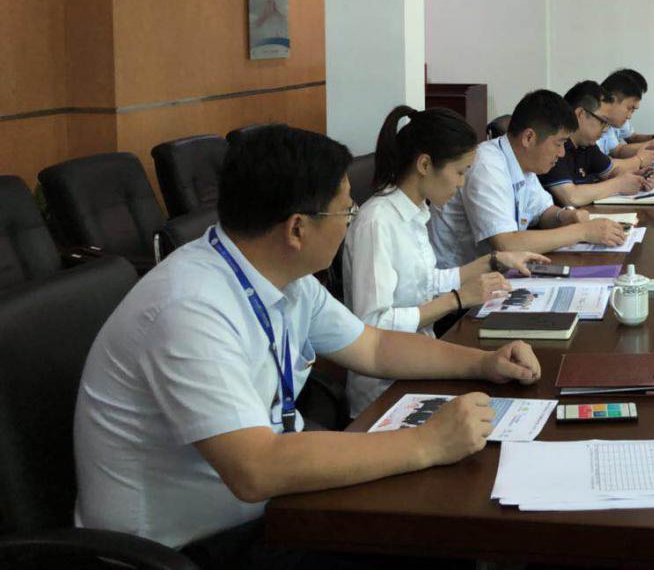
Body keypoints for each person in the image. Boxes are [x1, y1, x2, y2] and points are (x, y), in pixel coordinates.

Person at [74, 125, 541, 565]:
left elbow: (373, 347)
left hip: (275, 506)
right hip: (193, 545)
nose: (351, 222)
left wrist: (484, 363)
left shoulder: (282, 274)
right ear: (297, 229)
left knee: (435, 521)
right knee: (429, 539)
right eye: (346, 212)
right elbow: (254, 468)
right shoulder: (189, 309)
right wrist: (427, 443)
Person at [342, 105, 551, 416]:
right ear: (425, 164)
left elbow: (425, 281)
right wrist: (456, 299)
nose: (461, 183)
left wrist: (493, 261)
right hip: (383, 391)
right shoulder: (377, 223)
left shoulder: (416, 211)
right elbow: (374, 325)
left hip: (422, 363)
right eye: (460, 172)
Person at [428, 89, 628, 267]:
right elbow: (505, 244)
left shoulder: (524, 161)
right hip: (459, 285)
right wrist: (582, 231)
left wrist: (566, 216)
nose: (561, 153)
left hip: (495, 276)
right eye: (559, 143)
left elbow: (544, 212)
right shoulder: (487, 166)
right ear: (529, 138)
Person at [543, 81, 654, 207]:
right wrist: (619, 184)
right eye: (603, 121)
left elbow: (610, 172)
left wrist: (636, 178)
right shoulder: (556, 146)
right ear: (580, 114)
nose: (606, 129)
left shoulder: (586, 145)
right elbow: (571, 197)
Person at [599, 69, 654, 152]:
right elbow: (617, 152)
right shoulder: (599, 123)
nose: (629, 116)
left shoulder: (610, 120)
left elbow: (626, 143)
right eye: (630, 108)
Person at [597, 70, 654, 171]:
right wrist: (639, 160)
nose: (629, 116)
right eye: (630, 108)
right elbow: (604, 165)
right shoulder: (590, 127)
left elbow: (616, 151)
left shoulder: (607, 123)